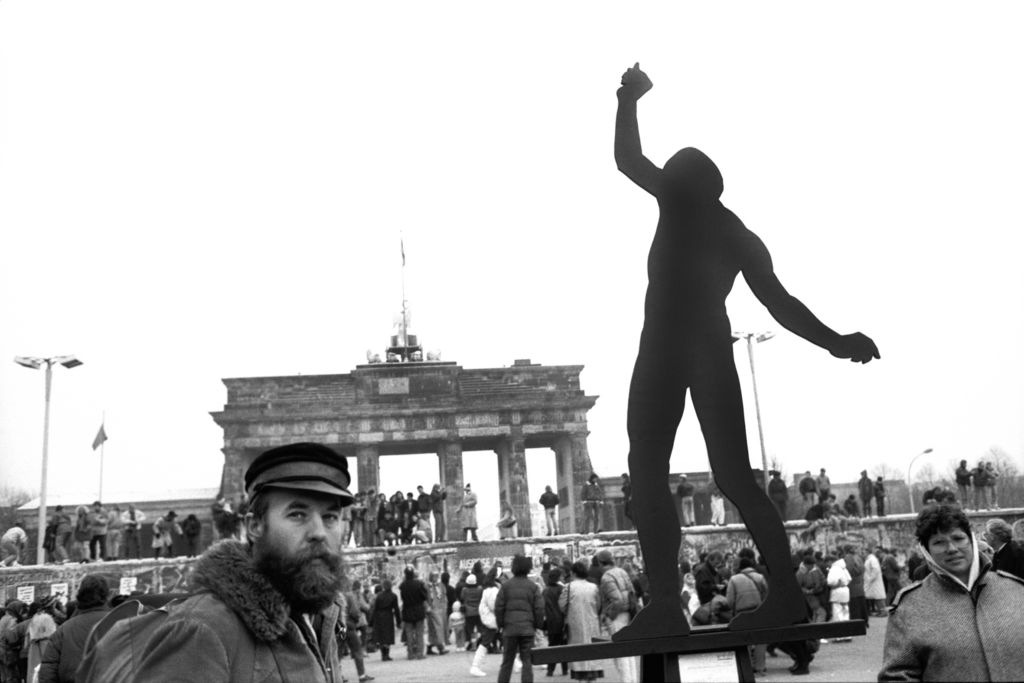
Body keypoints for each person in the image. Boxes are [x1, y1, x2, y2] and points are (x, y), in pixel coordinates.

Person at [613, 63, 879, 640]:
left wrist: (627, 98)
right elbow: (782, 304)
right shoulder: (735, 231)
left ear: (686, 183)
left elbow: (628, 159)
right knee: (730, 477)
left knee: (651, 474)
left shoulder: (677, 205)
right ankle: (781, 594)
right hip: (704, 347)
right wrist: (836, 342)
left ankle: (665, 601)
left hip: (664, 348)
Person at [113, 441, 352, 682]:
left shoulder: (324, 613)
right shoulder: (201, 630)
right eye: (297, 515)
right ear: (254, 527)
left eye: (330, 517)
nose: (319, 532)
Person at [879, 503, 1024, 680]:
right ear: (927, 550)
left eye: (958, 538)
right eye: (939, 542)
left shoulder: (1015, 591)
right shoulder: (909, 607)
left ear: (971, 540)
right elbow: (896, 676)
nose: (952, 549)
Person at [38, 574, 110, 683]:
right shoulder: (122, 622)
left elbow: (48, 671)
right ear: (106, 595)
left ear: (80, 595)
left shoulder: (64, 629)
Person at [494, 554, 544, 683]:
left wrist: (501, 625)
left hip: (509, 629)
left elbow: (498, 607)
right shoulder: (533, 587)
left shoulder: (505, 586)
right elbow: (539, 608)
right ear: (528, 568)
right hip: (527, 628)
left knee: (507, 662)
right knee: (527, 661)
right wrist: (538, 625)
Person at [596, 550, 639, 683]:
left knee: (620, 655)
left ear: (600, 562)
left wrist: (608, 615)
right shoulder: (622, 571)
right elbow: (632, 592)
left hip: (617, 617)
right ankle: (633, 680)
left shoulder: (607, 577)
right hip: (628, 615)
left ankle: (626, 681)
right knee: (629, 653)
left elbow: (617, 600)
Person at [558, 561, 604, 682]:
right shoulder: (594, 587)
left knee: (578, 651)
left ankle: (581, 678)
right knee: (592, 650)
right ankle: (592, 677)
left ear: (573, 573)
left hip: (575, 624)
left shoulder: (568, 587)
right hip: (592, 623)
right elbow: (599, 605)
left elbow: (562, 605)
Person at [469, 574, 500, 677]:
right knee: (486, 642)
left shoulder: (485, 590)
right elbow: (494, 606)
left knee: (505, 640)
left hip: (488, 619)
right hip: (492, 620)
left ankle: (516, 662)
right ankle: (475, 666)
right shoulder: (492, 591)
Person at [541, 568, 568, 677]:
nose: (563, 578)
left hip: (551, 622)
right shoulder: (562, 589)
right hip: (561, 621)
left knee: (552, 646)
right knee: (564, 646)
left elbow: (543, 607)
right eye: (561, 576)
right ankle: (564, 669)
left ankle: (550, 669)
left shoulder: (545, 590)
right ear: (558, 577)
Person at [399, 566, 429, 660]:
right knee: (420, 633)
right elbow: (424, 596)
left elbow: (402, 598)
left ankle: (411, 654)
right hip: (419, 610)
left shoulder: (402, 585)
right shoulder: (419, 584)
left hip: (407, 611)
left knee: (409, 633)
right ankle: (420, 653)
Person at [370, 579, 401, 661]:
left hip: (379, 616)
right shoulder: (393, 596)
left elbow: (375, 608)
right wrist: (398, 621)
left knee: (381, 636)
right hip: (388, 616)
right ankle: (387, 654)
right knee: (388, 635)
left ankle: (383, 654)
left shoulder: (379, 596)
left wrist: (372, 620)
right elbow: (396, 609)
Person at [826, 552, 852, 642]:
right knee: (845, 613)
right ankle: (847, 635)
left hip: (837, 592)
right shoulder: (843, 567)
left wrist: (835, 584)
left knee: (837, 614)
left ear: (830, 561)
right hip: (845, 591)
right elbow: (849, 578)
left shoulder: (834, 568)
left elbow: (830, 581)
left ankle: (839, 636)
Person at [425, 571, 448, 656]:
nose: (435, 578)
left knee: (436, 629)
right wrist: (427, 607)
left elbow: (444, 596)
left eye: (436, 576)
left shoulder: (440, 585)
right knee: (436, 628)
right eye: (434, 576)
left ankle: (430, 647)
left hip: (440, 609)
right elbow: (424, 597)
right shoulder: (427, 586)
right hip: (432, 609)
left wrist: (444, 605)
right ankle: (440, 647)